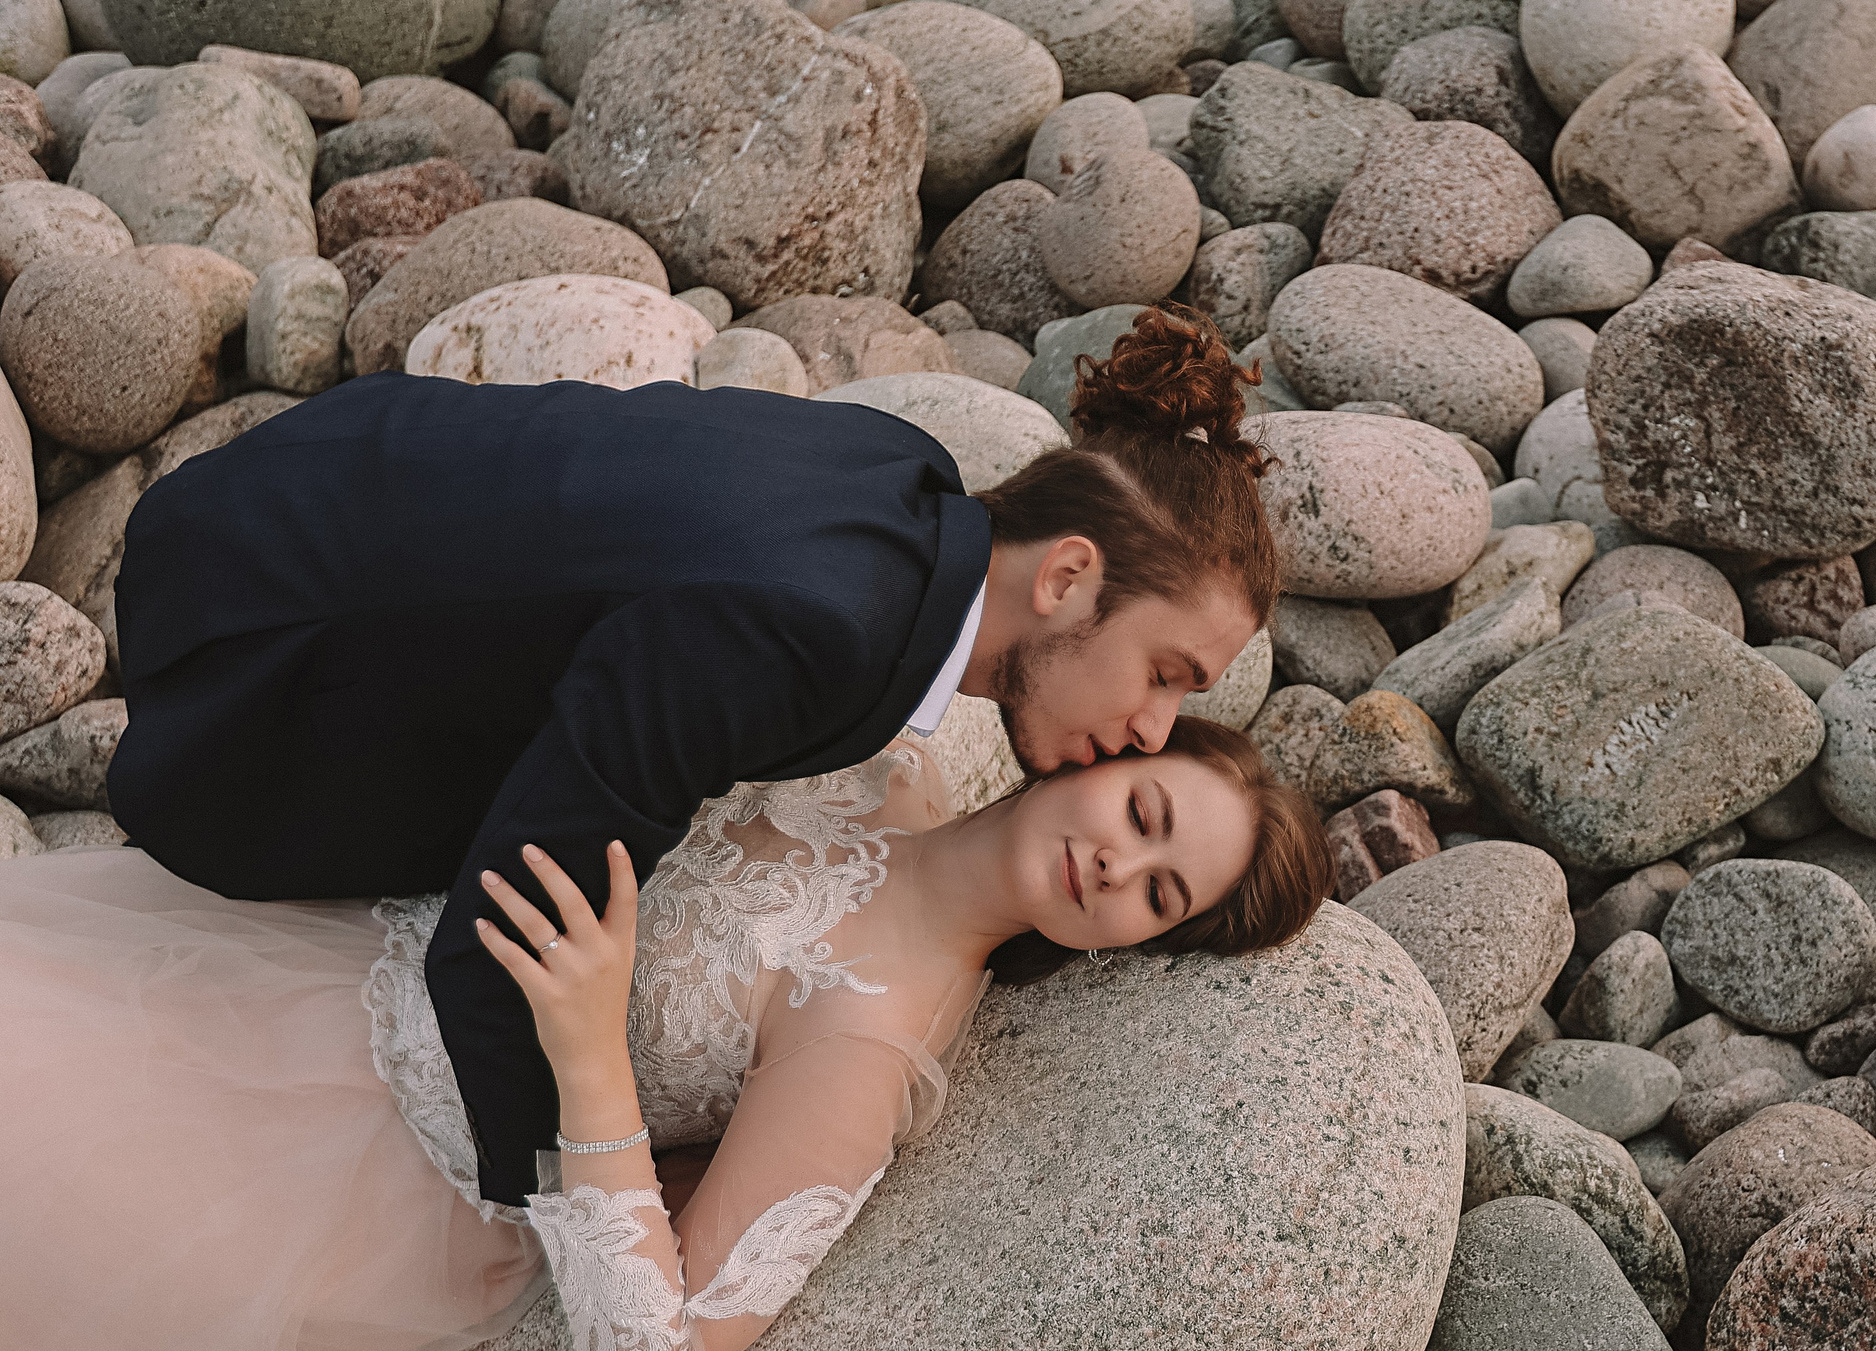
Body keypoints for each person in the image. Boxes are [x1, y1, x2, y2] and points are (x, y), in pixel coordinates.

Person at [0, 713, 1333, 1351]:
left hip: (356, 1161)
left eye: (1162, 894)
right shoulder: (887, 742)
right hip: (322, 937)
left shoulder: (871, 1045)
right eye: (1148, 810)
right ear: (1106, 752)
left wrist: (589, 1051)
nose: (1118, 863)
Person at [103, 306, 1277, 1210]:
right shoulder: (818, 631)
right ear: (1067, 576)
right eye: (1168, 672)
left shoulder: (901, 474)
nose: (1154, 732)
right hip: (248, 667)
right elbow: (508, 925)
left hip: (300, 471)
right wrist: (557, 1193)